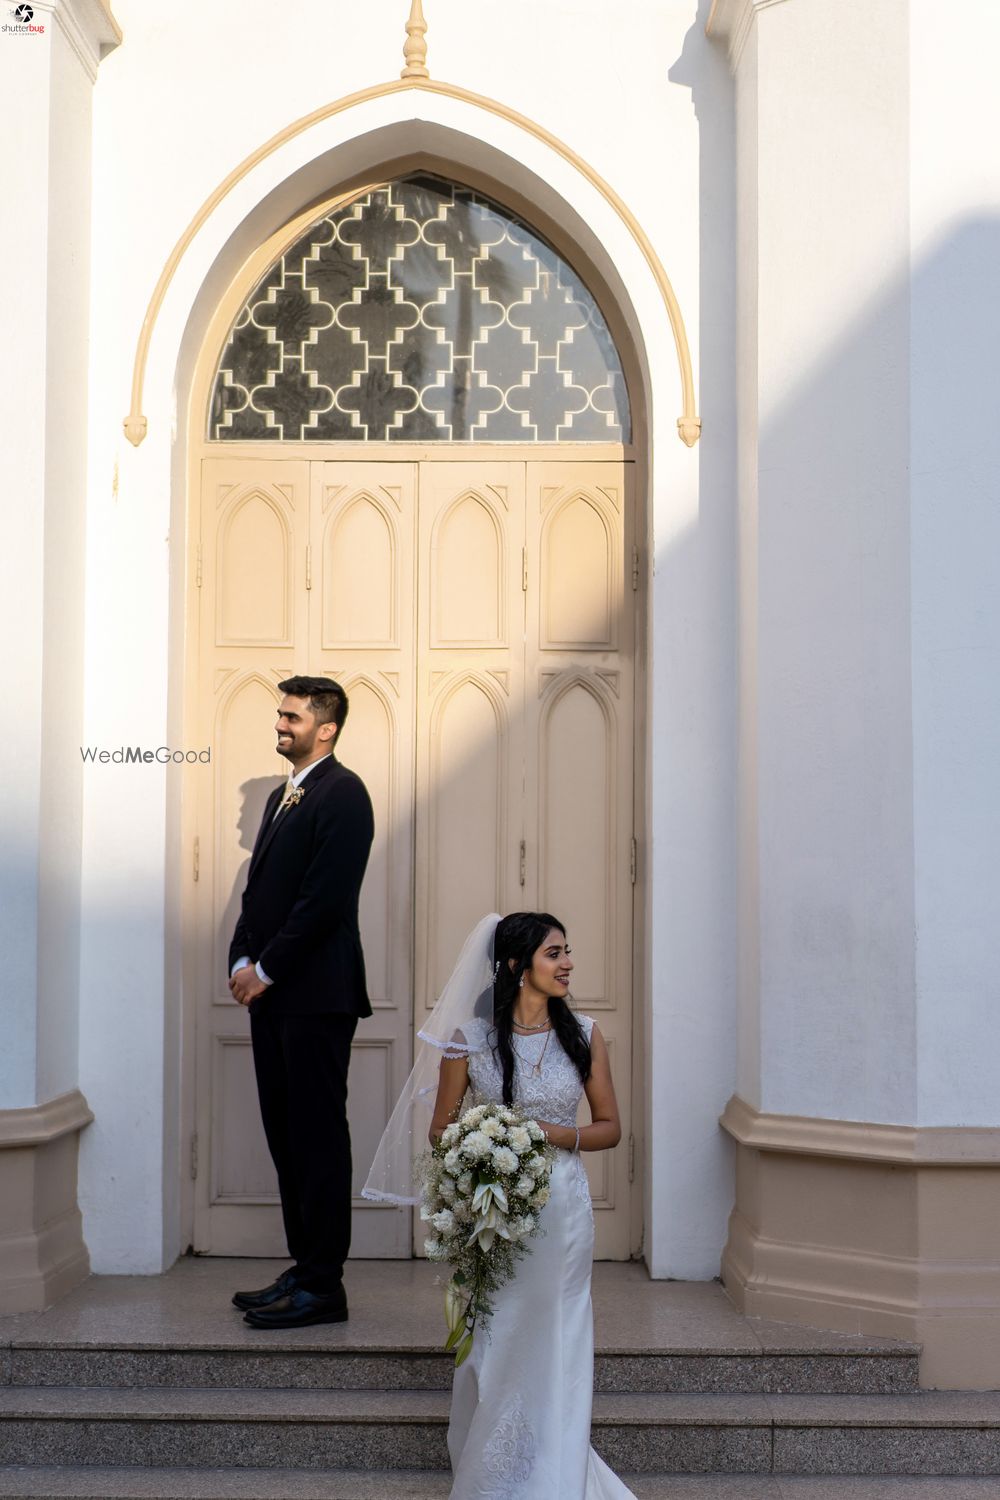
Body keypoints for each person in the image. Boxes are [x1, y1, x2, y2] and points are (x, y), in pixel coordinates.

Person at [364, 912, 637, 1499]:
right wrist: (485, 1146)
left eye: (567, 952)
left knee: (559, 1336)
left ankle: (556, 1471)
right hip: (496, 1217)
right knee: (496, 1337)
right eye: (553, 953)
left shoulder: (586, 1035)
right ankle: (495, 1472)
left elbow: (611, 1129)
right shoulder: (469, 1040)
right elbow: (441, 1131)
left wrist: (547, 1133)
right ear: (517, 965)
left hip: (562, 1212)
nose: (567, 964)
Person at [228, 675, 374, 1330]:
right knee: (286, 1137)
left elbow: (324, 901)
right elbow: (259, 894)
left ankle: (325, 1285)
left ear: (327, 728)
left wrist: (268, 968)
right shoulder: (284, 797)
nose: (280, 724)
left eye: (292, 716)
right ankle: (304, 1267)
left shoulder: (345, 795)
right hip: (275, 999)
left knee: (316, 1138)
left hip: (315, 997)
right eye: (280, 714)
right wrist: (239, 959)